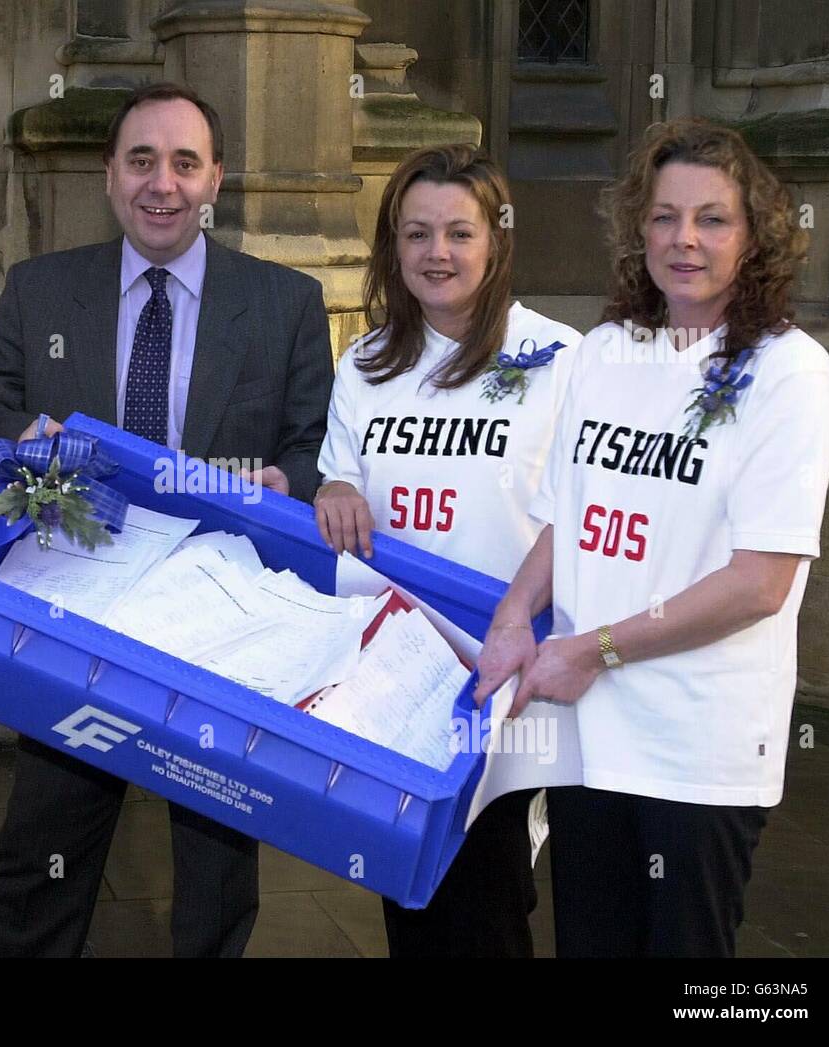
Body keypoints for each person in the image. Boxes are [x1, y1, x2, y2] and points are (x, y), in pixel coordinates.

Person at [0, 82, 333, 958]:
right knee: (43, 850)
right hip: (76, 605)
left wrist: (290, 480)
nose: (162, 183)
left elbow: (318, 444)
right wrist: (25, 436)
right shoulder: (41, 290)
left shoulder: (285, 303)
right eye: (141, 160)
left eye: (185, 163)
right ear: (109, 174)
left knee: (216, 869)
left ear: (216, 180)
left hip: (221, 623)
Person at [474, 117, 829, 957]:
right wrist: (511, 618)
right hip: (586, 739)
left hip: (695, 744)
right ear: (638, 227)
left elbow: (759, 582)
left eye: (712, 218)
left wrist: (591, 649)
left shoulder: (791, 376)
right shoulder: (605, 352)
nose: (684, 239)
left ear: (755, 236)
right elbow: (563, 518)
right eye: (664, 216)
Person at [315, 144, 581, 957]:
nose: (438, 254)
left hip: (508, 666)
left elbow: (578, 511)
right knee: (412, 886)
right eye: (417, 234)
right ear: (393, 247)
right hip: (397, 667)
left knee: (493, 892)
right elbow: (338, 480)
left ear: (496, 240)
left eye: (460, 233)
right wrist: (333, 491)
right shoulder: (364, 361)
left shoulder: (561, 359)